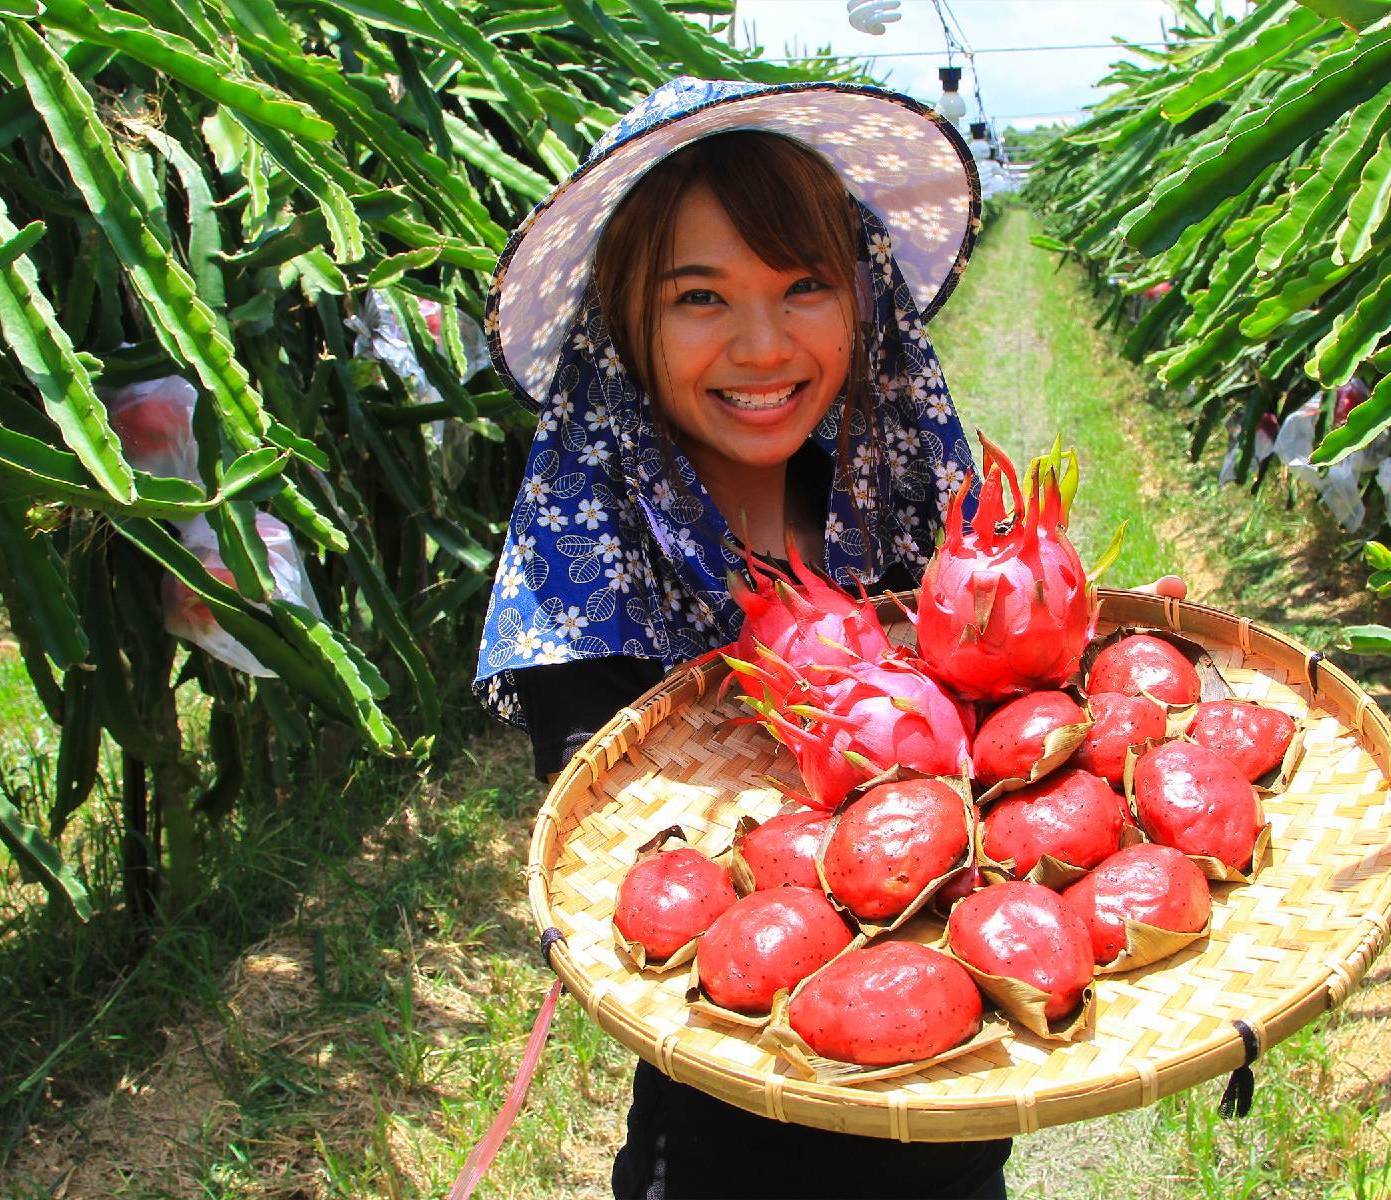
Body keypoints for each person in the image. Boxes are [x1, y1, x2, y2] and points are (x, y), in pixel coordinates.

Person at [473, 77, 1180, 1200]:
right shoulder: (587, 588)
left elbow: (995, 748)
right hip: (728, 1146)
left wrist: (1099, 691)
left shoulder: (892, 507)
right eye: (699, 298)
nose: (763, 345)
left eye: (805, 285)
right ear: (626, 325)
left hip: (946, 1117)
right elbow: (643, 893)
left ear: (866, 300)